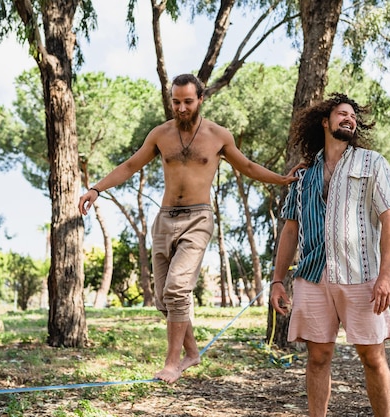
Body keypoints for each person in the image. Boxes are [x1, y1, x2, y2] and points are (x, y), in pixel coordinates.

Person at [79, 73, 299, 384]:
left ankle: (171, 363)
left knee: (177, 289)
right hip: (165, 218)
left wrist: (282, 179)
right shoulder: (160, 134)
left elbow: (247, 166)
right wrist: (96, 189)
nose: (181, 108)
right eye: (176, 102)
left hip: (198, 218)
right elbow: (130, 165)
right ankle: (192, 353)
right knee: (163, 298)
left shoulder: (219, 135)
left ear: (201, 99)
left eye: (188, 102)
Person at [270, 93, 390, 417]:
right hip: (313, 277)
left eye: (353, 116)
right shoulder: (303, 175)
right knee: (318, 357)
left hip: (361, 275)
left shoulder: (373, 163)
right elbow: (290, 229)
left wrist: (386, 275)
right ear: (325, 122)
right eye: (342, 114)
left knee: (373, 356)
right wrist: (277, 280)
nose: (349, 119)